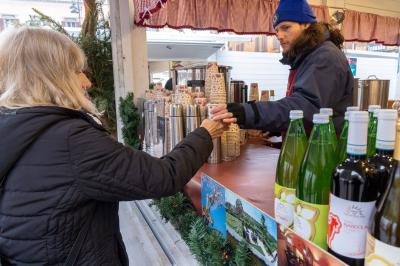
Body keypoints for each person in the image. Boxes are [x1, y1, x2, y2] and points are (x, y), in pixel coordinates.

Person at [0, 26, 225, 265]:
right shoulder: (71, 141)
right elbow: (162, 177)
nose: (86, 82)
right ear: (50, 76)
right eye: (77, 71)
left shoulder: (15, 126)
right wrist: (206, 132)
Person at [212, 0, 353, 134]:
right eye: (277, 30)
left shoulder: (325, 56)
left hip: (325, 150)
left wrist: (248, 112)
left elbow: (305, 108)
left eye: (286, 28)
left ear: (306, 25)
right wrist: (275, 127)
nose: (279, 35)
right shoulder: (305, 57)